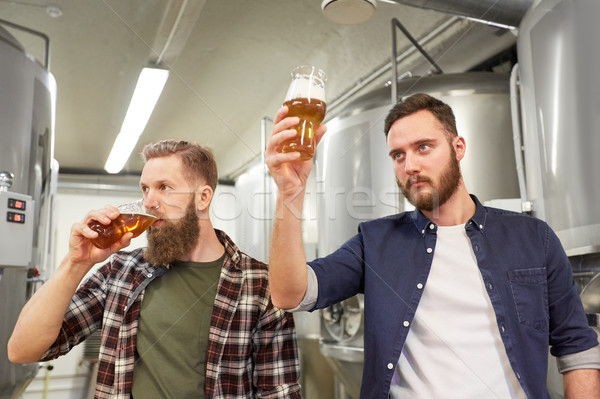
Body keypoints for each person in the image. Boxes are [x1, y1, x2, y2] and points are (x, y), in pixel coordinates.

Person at [265, 93, 600, 398]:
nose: (410, 165)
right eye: (398, 155)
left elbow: (577, 347)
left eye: (423, 147)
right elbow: (290, 294)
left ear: (458, 148)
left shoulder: (533, 239)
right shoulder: (376, 242)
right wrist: (289, 195)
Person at [8, 140, 301, 399]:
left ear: (203, 197)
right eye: (145, 189)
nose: (149, 202)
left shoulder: (261, 284)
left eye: (164, 188)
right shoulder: (122, 270)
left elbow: (279, 392)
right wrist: (76, 263)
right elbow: (23, 350)